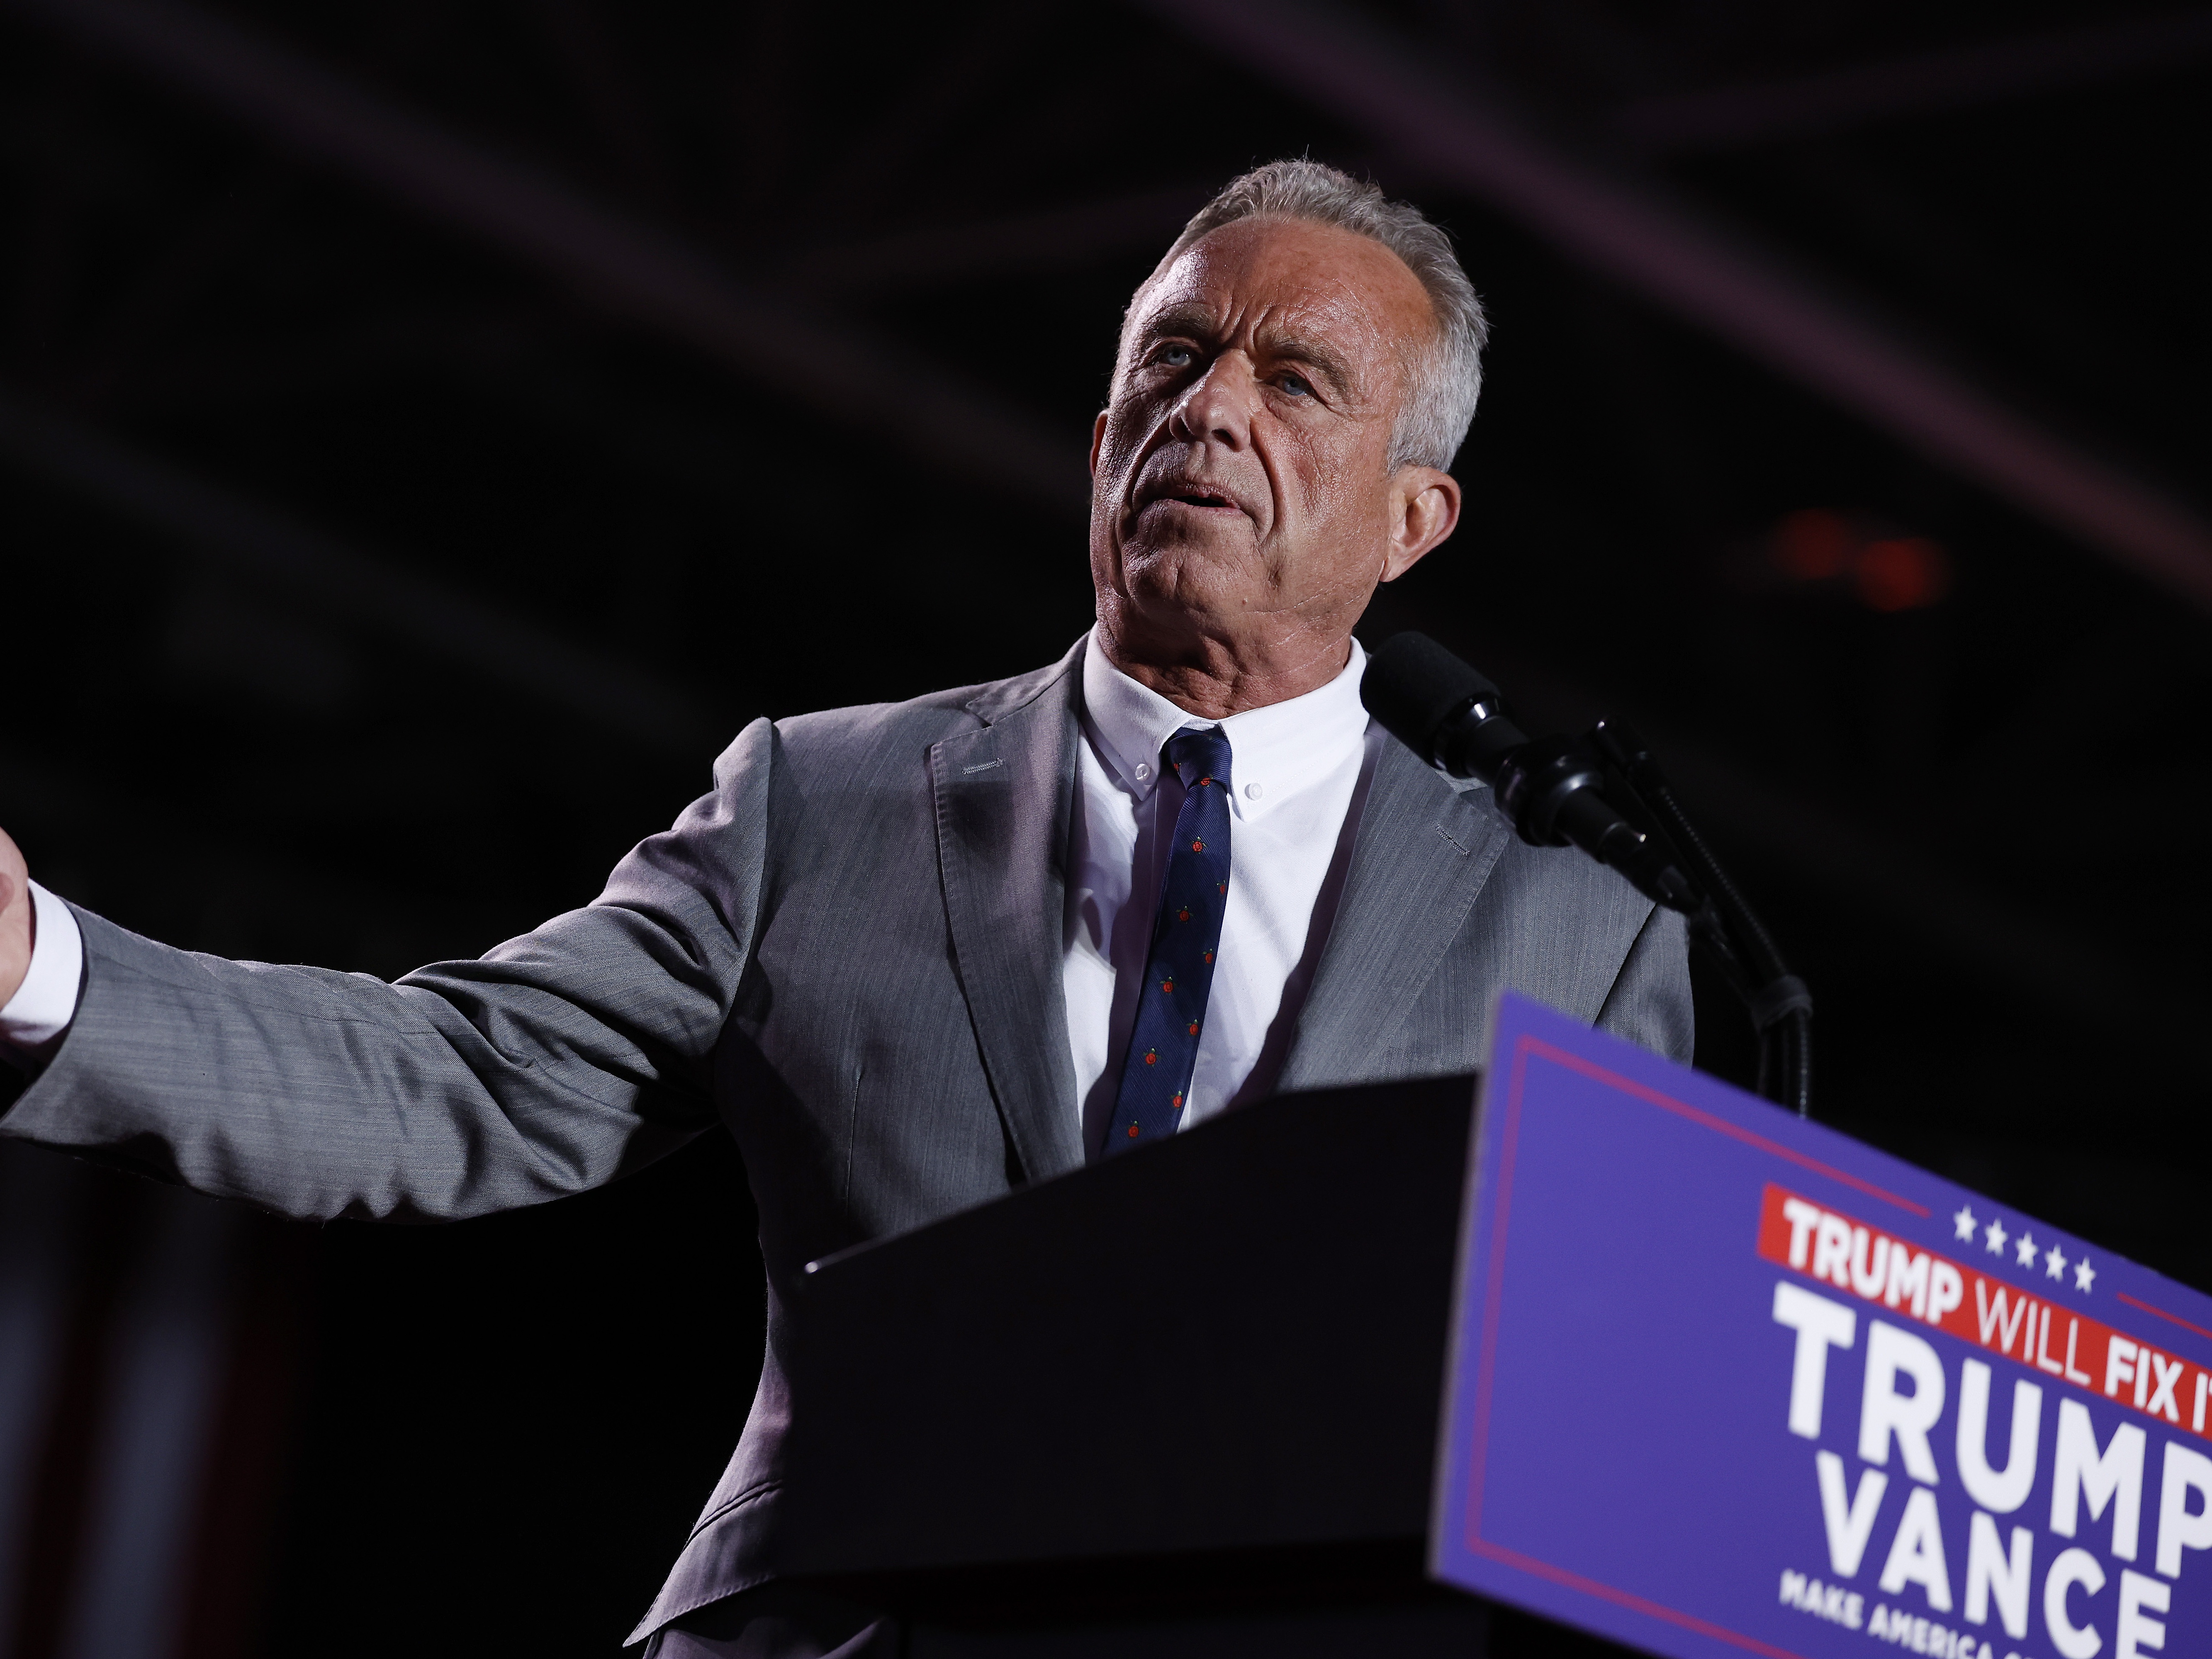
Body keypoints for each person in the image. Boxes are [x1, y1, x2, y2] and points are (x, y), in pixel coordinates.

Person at [0, 161, 1689, 1656]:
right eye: (1171, 360)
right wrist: (38, 967)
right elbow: (457, 1076)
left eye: (1296, 379)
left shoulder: (1579, 917)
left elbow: (1626, 1422)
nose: (1211, 410)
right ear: (1100, 443)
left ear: (1412, 518)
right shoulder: (822, 802)